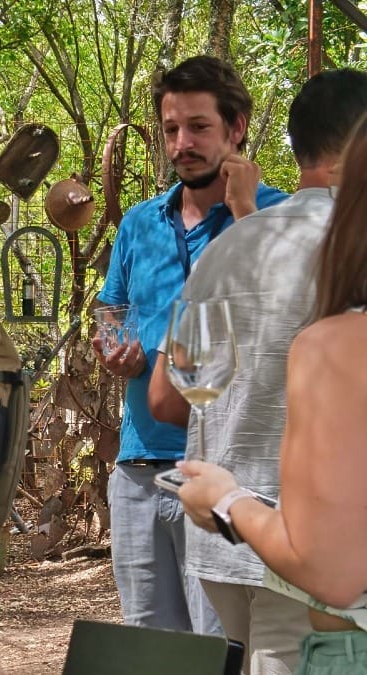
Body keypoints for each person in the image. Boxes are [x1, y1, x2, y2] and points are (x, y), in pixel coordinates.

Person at [148, 69, 367, 674]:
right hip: (309, 560)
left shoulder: (226, 247)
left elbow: (166, 400)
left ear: (298, 146)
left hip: (225, 545)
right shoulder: (347, 244)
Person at [93, 55, 288, 634]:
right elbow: (112, 305)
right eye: (172, 129)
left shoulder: (275, 214)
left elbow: (280, 325)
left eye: (199, 127)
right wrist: (111, 345)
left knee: (221, 649)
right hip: (138, 469)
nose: (183, 143)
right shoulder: (139, 223)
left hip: (231, 478)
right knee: (153, 653)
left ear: (237, 127)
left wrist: (245, 210)